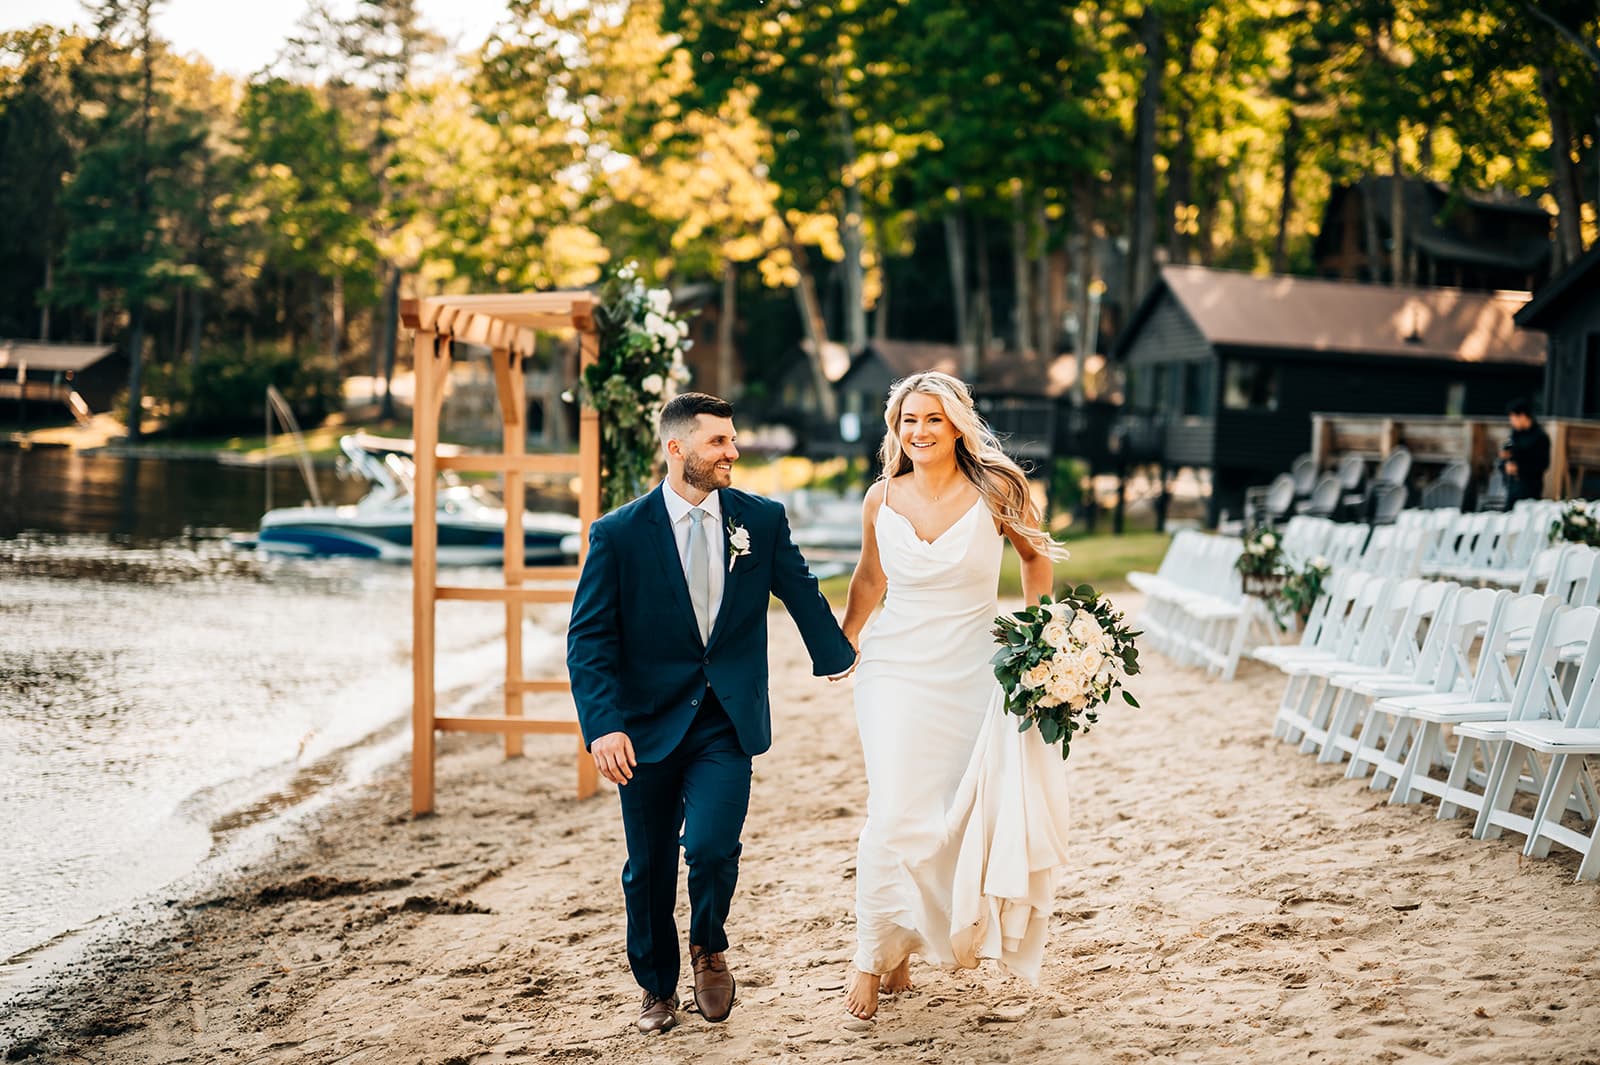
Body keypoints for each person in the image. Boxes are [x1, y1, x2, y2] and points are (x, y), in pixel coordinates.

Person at [567, 391, 857, 1035]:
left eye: (732, 439)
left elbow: (803, 592)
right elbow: (588, 640)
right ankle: (656, 989)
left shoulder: (762, 518)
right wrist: (603, 725)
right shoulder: (617, 535)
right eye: (718, 441)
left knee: (711, 846)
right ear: (677, 450)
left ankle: (709, 945)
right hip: (642, 730)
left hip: (727, 719)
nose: (732, 451)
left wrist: (838, 655)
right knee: (648, 867)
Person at [839, 371, 1074, 1020]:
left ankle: (903, 947)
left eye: (932, 419)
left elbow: (1034, 561)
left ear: (957, 426)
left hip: (972, 670)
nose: (918, 431)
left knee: (947, 814)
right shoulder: (881, 497)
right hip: (894, 668)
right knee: (893, 807)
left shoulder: (997, 490)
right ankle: (868, 952)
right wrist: (845, 640)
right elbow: (868, 577)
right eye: (908, 420)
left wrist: (1038, 635)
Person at [1500, 399, 1550, 505]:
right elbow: (1508, 456)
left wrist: (1519, 468)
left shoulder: (1540, 437)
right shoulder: (1515, 435)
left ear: (1522, 416)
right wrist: (1505, 462)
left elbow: (1543, 464)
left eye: (1513, 419)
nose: (1512, 423)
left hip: (1530, 488)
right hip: (1513, 487)